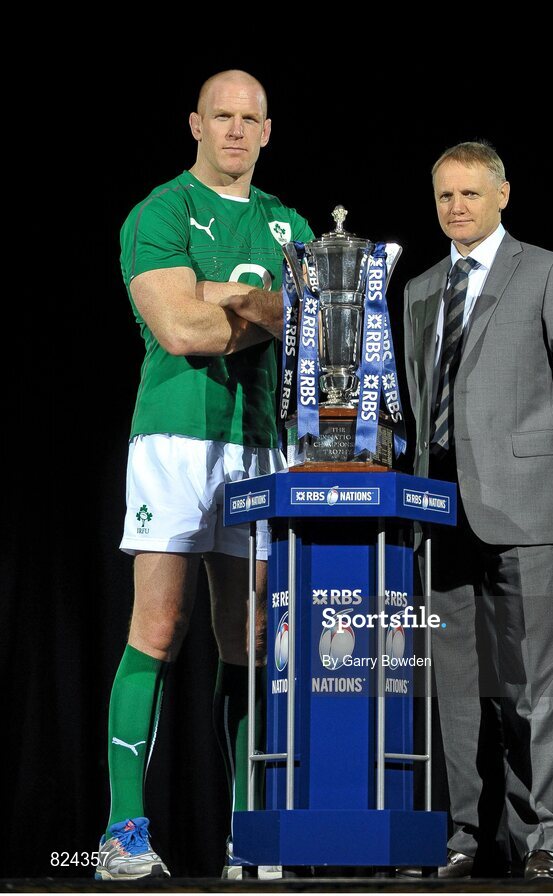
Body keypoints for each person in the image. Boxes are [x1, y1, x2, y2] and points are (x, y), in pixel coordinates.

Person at [97, 70, 314, 881]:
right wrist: (256, 307)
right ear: (195, 122)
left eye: (248, 117)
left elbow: (309, 327)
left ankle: (246, 839)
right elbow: (182, 329)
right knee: (158, 626)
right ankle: (122, 835)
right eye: (220, 115)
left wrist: (227, 299)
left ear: (266, 130)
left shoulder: (290, 224)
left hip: (262, 441)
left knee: (253, 638)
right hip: (176, 438)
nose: (233, 129)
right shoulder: (160, 210)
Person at [402, 141, 553, 880]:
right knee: (456, 692)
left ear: (502, 196)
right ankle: (465, 835)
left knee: (532, 689)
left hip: (527, 513)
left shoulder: (550, 272)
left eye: (468, 194)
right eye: (443, 196)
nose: (455, 208)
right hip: (441, 515)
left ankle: (543, 839)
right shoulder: (421, 288)